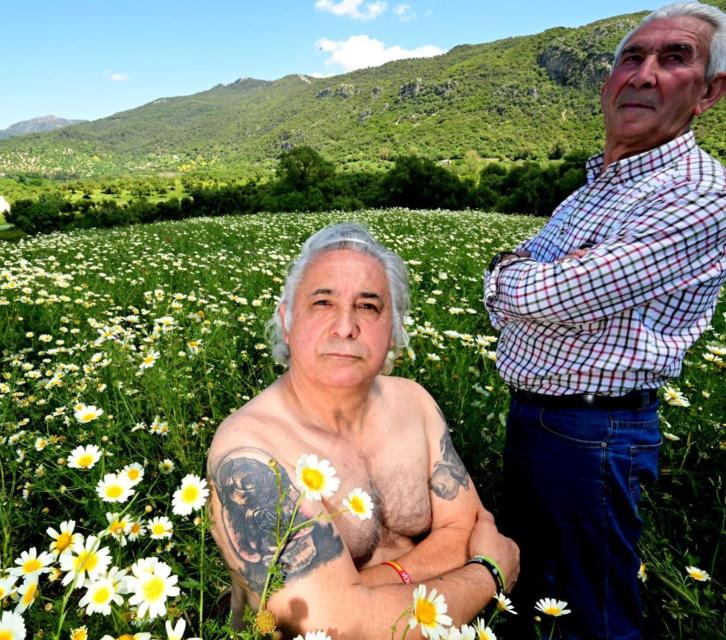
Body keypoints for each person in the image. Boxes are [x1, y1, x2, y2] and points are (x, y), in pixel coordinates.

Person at [483, 2, 726, 638]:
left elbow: (548, 294)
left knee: (590, 611)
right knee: (530, 591)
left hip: (596, 432)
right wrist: (532, 280)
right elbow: (521, 285)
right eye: (632, 58)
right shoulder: (592, 189)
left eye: (675, 58)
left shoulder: (701, 194)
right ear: (608, 83)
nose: (644, 74)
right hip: (537, 417)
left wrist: (527, 281)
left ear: (710, 92)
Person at [208, 222, 519, 638]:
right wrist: (487, 575)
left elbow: (468, 528)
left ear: (393, 329)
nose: (345, 327)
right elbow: (343, 629)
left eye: (369, 306)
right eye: (322, 302)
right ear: (287, 319)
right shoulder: (250, 452)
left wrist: (368, 585)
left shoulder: (414, 403)